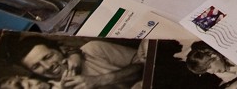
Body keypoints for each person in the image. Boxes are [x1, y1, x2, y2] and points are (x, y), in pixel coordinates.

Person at [9, 35, 145, 89]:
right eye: (36, 66)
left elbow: (145, 64)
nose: (48, 66)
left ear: (59, 49)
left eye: (47, 57)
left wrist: (99, 80)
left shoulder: (92, 49)